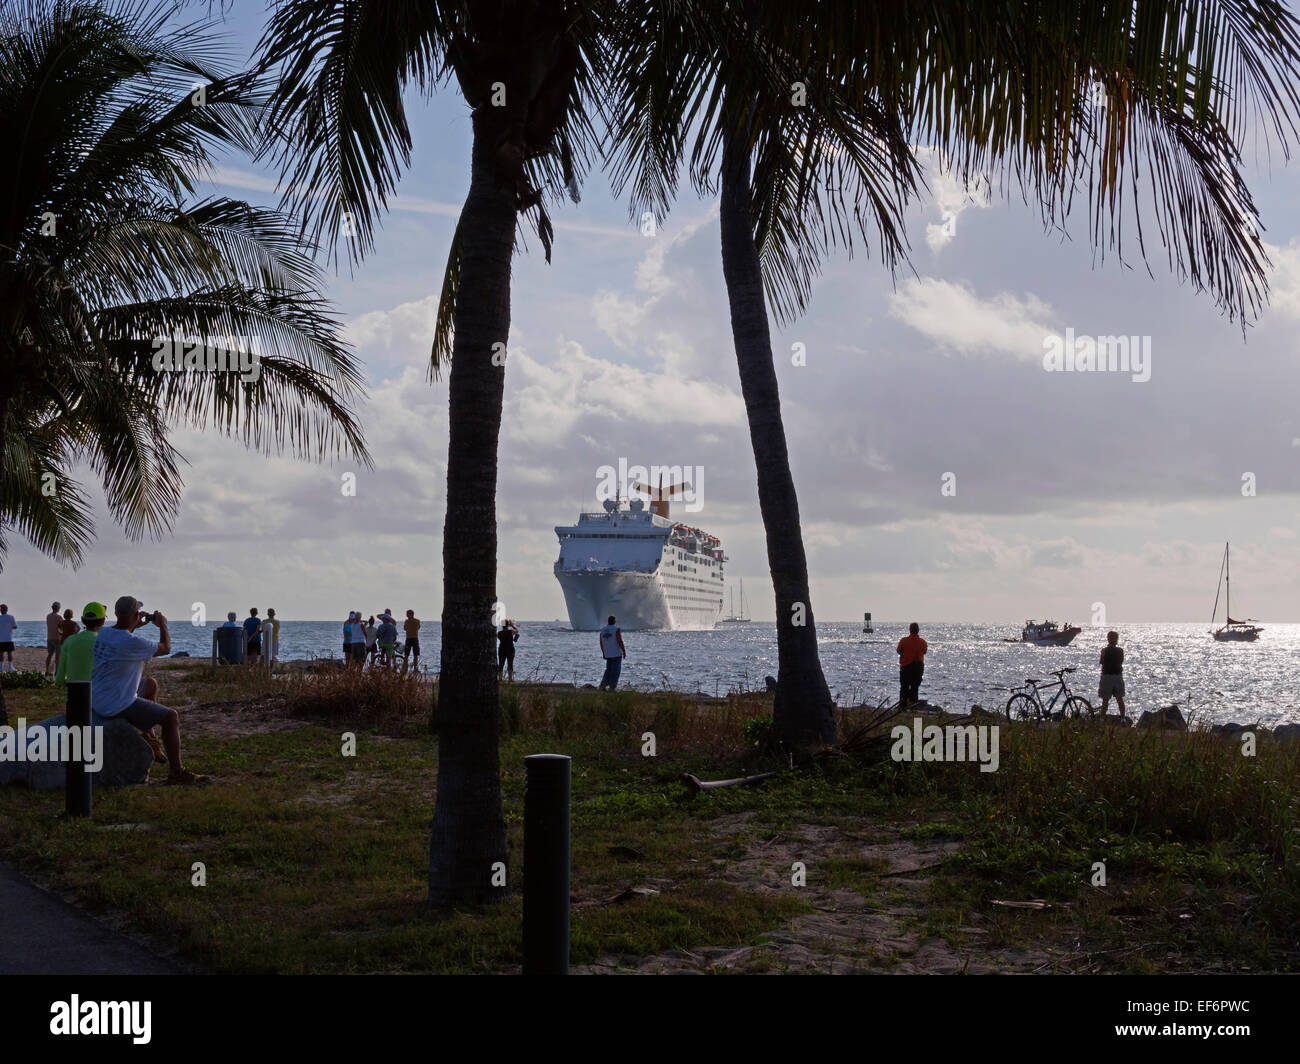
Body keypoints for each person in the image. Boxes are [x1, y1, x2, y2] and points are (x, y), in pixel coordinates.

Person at [91, 596, 206, 784]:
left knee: (150, 684)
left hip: (97, 696)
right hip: (115, 703)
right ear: (136, 614)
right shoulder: (132, 642)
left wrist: (135, 625)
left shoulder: (103, 633)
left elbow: (121, 634)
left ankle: (149, 734)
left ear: (116, 614)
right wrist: (163, 625)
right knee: (171, 717)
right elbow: (166, 648)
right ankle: (177, 773)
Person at [55, 602, 104, 686]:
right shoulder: (105, 643)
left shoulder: (69, 641)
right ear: (103, 621)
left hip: (73, 696)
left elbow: (59, 680)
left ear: (82, 620)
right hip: (98, 695)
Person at [896, 622, 927, 708]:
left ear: (910, 630)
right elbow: (924, 651)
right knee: (914, 687)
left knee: (904, 687)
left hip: (906, 667)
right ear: (918, 630)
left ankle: (902, 707)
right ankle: (913, 707)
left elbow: (898, 651)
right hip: (918, 668)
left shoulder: (904, 641)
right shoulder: (922, 642)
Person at [1099, 630, 1127, 718]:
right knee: (1119, 699)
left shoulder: (1104, 650)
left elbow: (1101, 662)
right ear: (1116, 640)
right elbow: (1121, 661)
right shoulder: (1120, 651)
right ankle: (1123, 718)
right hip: (1117, 676)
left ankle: (1102, 718)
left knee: (1105, 700)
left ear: (1108, 639)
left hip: (1106, 676)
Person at [597, 615, 625, 691]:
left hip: (608, 654)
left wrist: (603, 653)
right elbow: (619, 641)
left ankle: (603, 685)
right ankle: (612, 687)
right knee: (616, 671)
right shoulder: (616, 629)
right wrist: (624, 651)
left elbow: (601, 642)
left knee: (608, 670)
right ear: (614, 621)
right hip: (616, 653)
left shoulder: (602, 630)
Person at [45, 601, 63, 676]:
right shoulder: (59, 617)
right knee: (58, 656)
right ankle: (56, 671)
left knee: (50, 654)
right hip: (57, 638)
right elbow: (62, 627)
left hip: (49, 637)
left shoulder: (48, 616)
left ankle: (47, 670)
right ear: (58, 608)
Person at [0, 604, 17, 672]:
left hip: (0, 639)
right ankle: (10, 668)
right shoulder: (11, 617)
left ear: (1, 610)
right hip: (9, 638)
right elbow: (15, 627)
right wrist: (8, 627)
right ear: (7, 609)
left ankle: (1, 669)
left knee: (1, 654)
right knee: (9, 653)